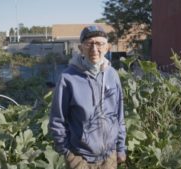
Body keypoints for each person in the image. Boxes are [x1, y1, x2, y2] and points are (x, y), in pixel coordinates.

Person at [48, 25, 126, 169]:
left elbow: (119, 115)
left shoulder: (112, 75)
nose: (94, 49)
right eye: (89, 44)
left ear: (107, 47)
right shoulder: (68, 78)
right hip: (80, 158)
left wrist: (120, 147)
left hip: (109, 157)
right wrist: (67, 153)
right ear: (80, 48)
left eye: (99, 44)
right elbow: (57, 119)